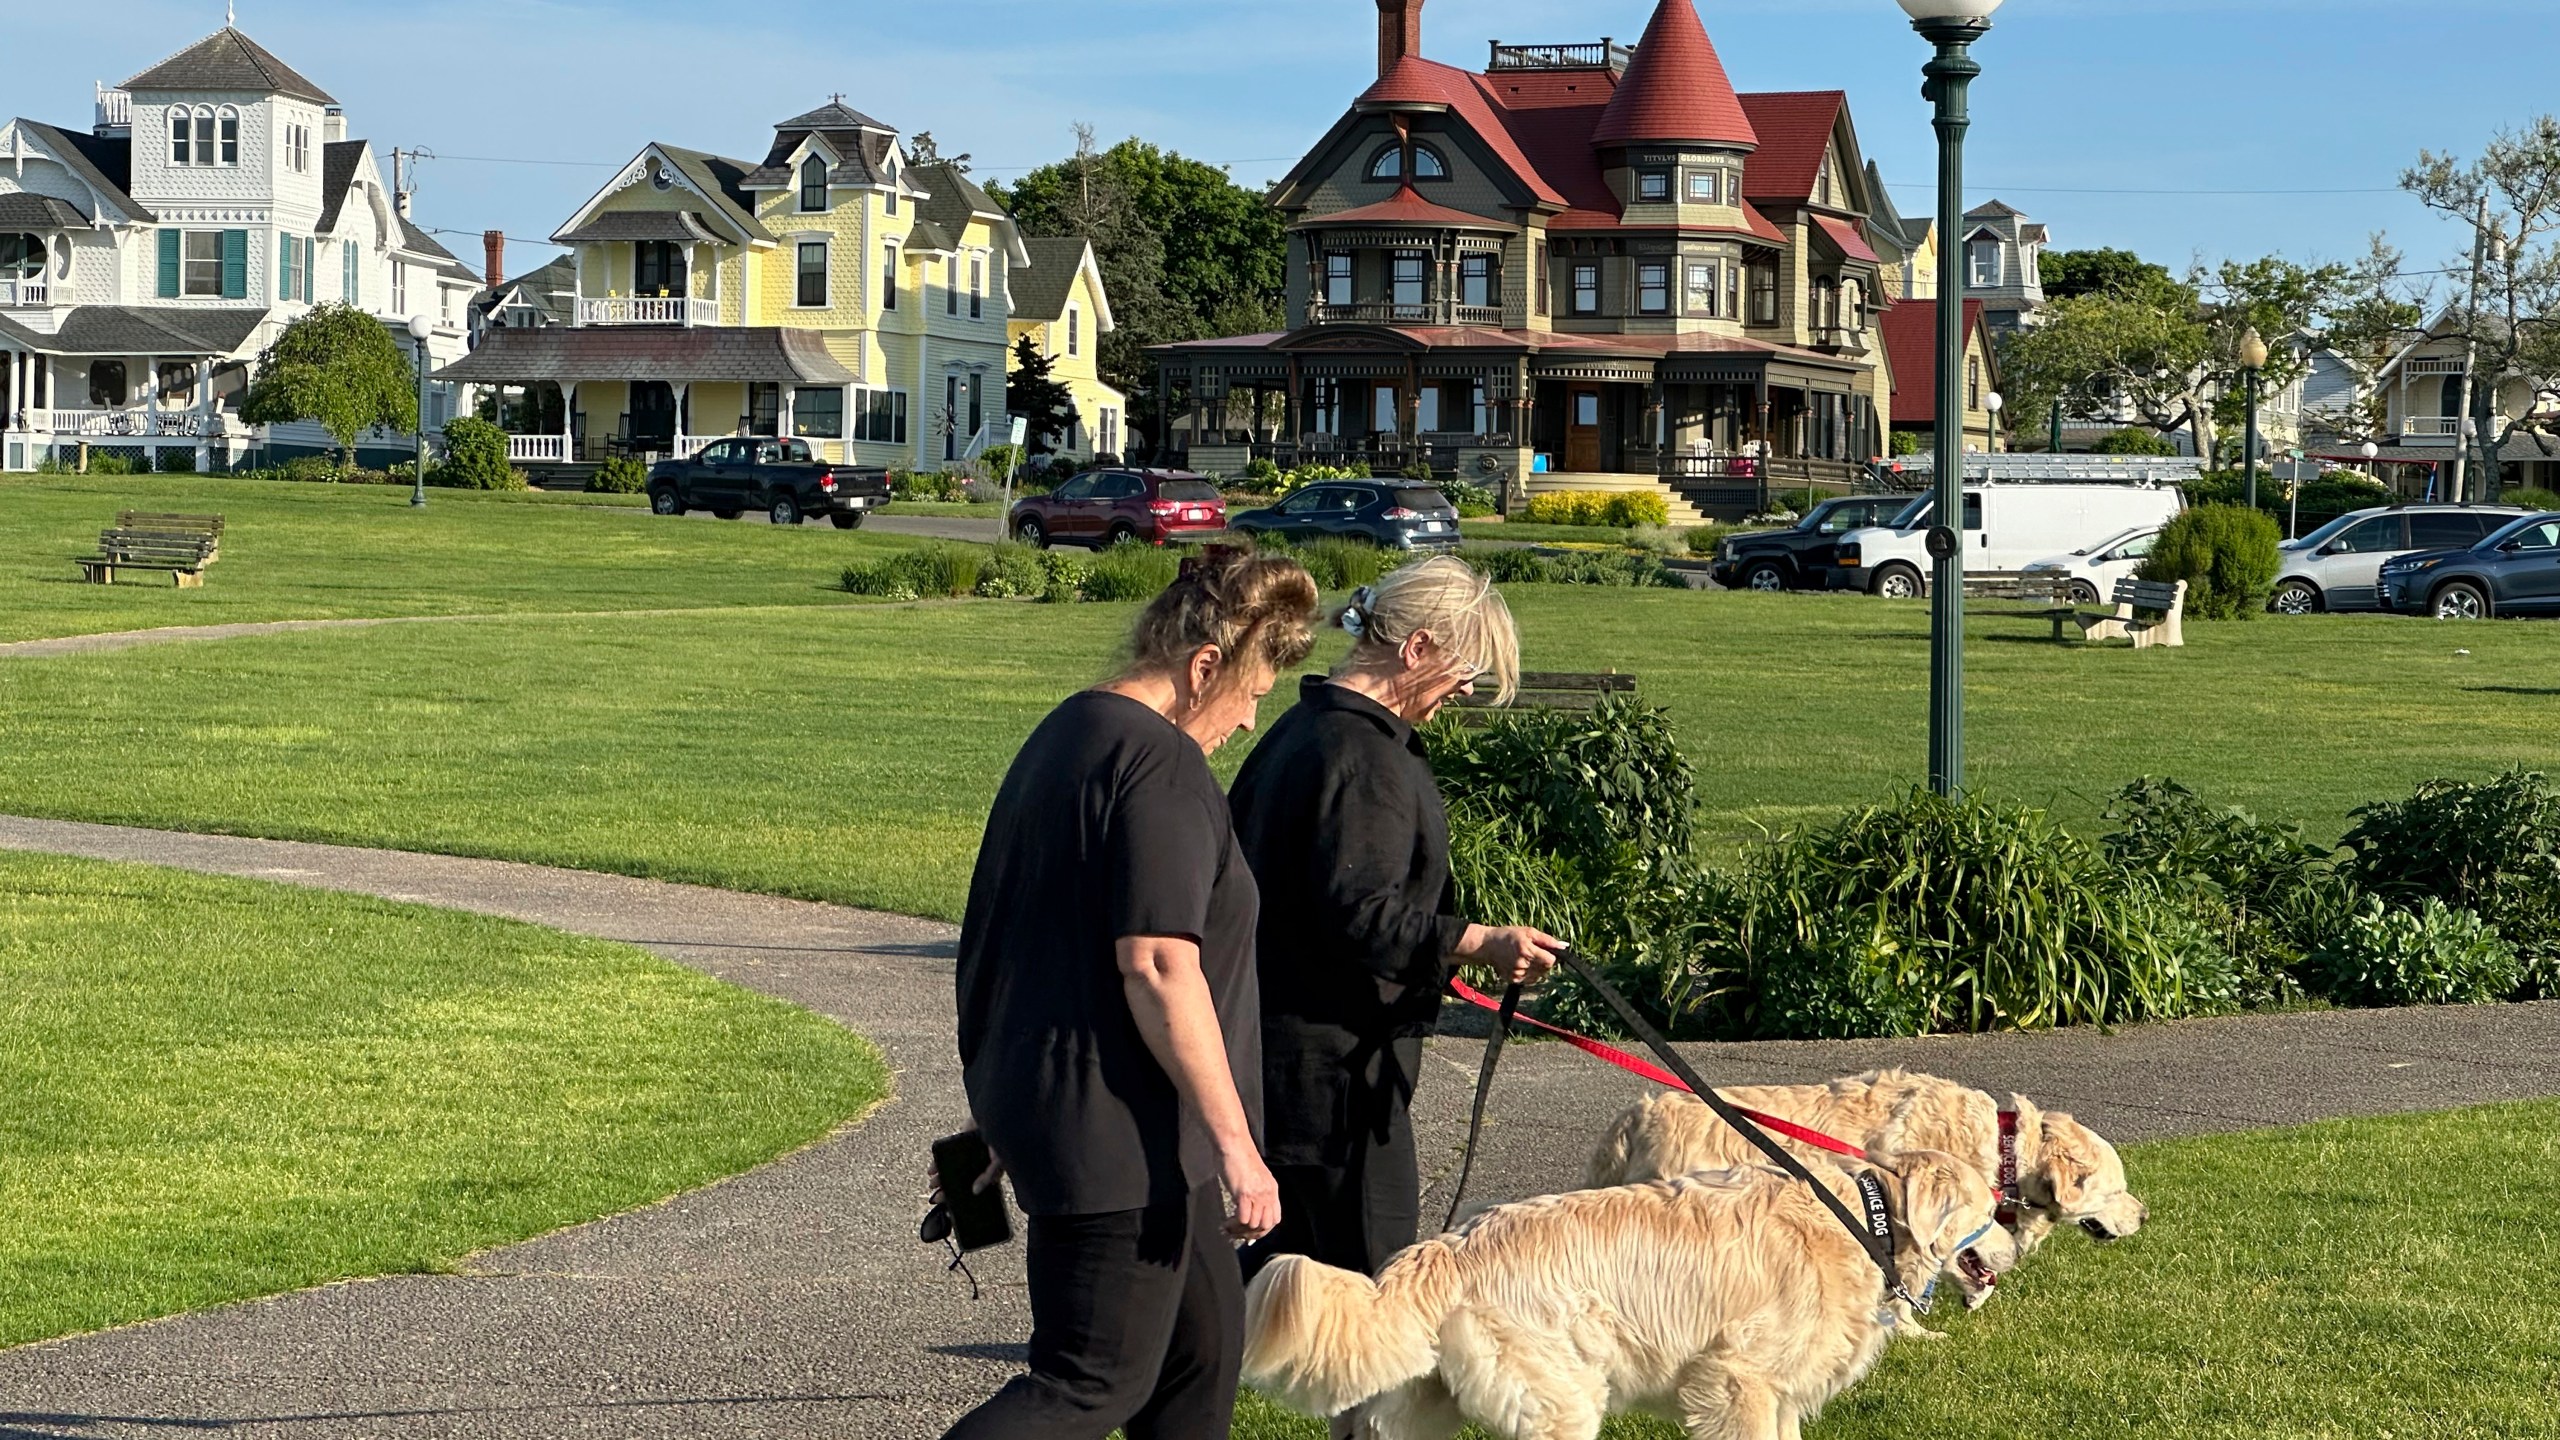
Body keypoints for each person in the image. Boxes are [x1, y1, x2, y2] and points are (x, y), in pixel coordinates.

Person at [940, 550, 1320, 1440]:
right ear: (1203, 668)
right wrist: (1240, 1146)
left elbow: (1025, 944)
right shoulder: (1163, 768)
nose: (1251, 717)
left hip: (1115, 1129)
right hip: (1120, 1141)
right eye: (1253, 690)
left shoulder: (1068, 735)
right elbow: (1155, 963)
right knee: (1087, 1383)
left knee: (1200, 1360)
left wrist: (995, 1110)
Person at [1232, 555, 1563, 1292]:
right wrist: (1481, 942)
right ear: (1415, 649)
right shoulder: (1364, 757)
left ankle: (1183, 1356)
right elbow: (1361, 915)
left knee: (1282, 1276)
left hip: (1288, 1058)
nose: (1468, 688)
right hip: (1335, 1077)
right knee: (1375, 1291)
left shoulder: (1305, 730)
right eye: (1462, 667)